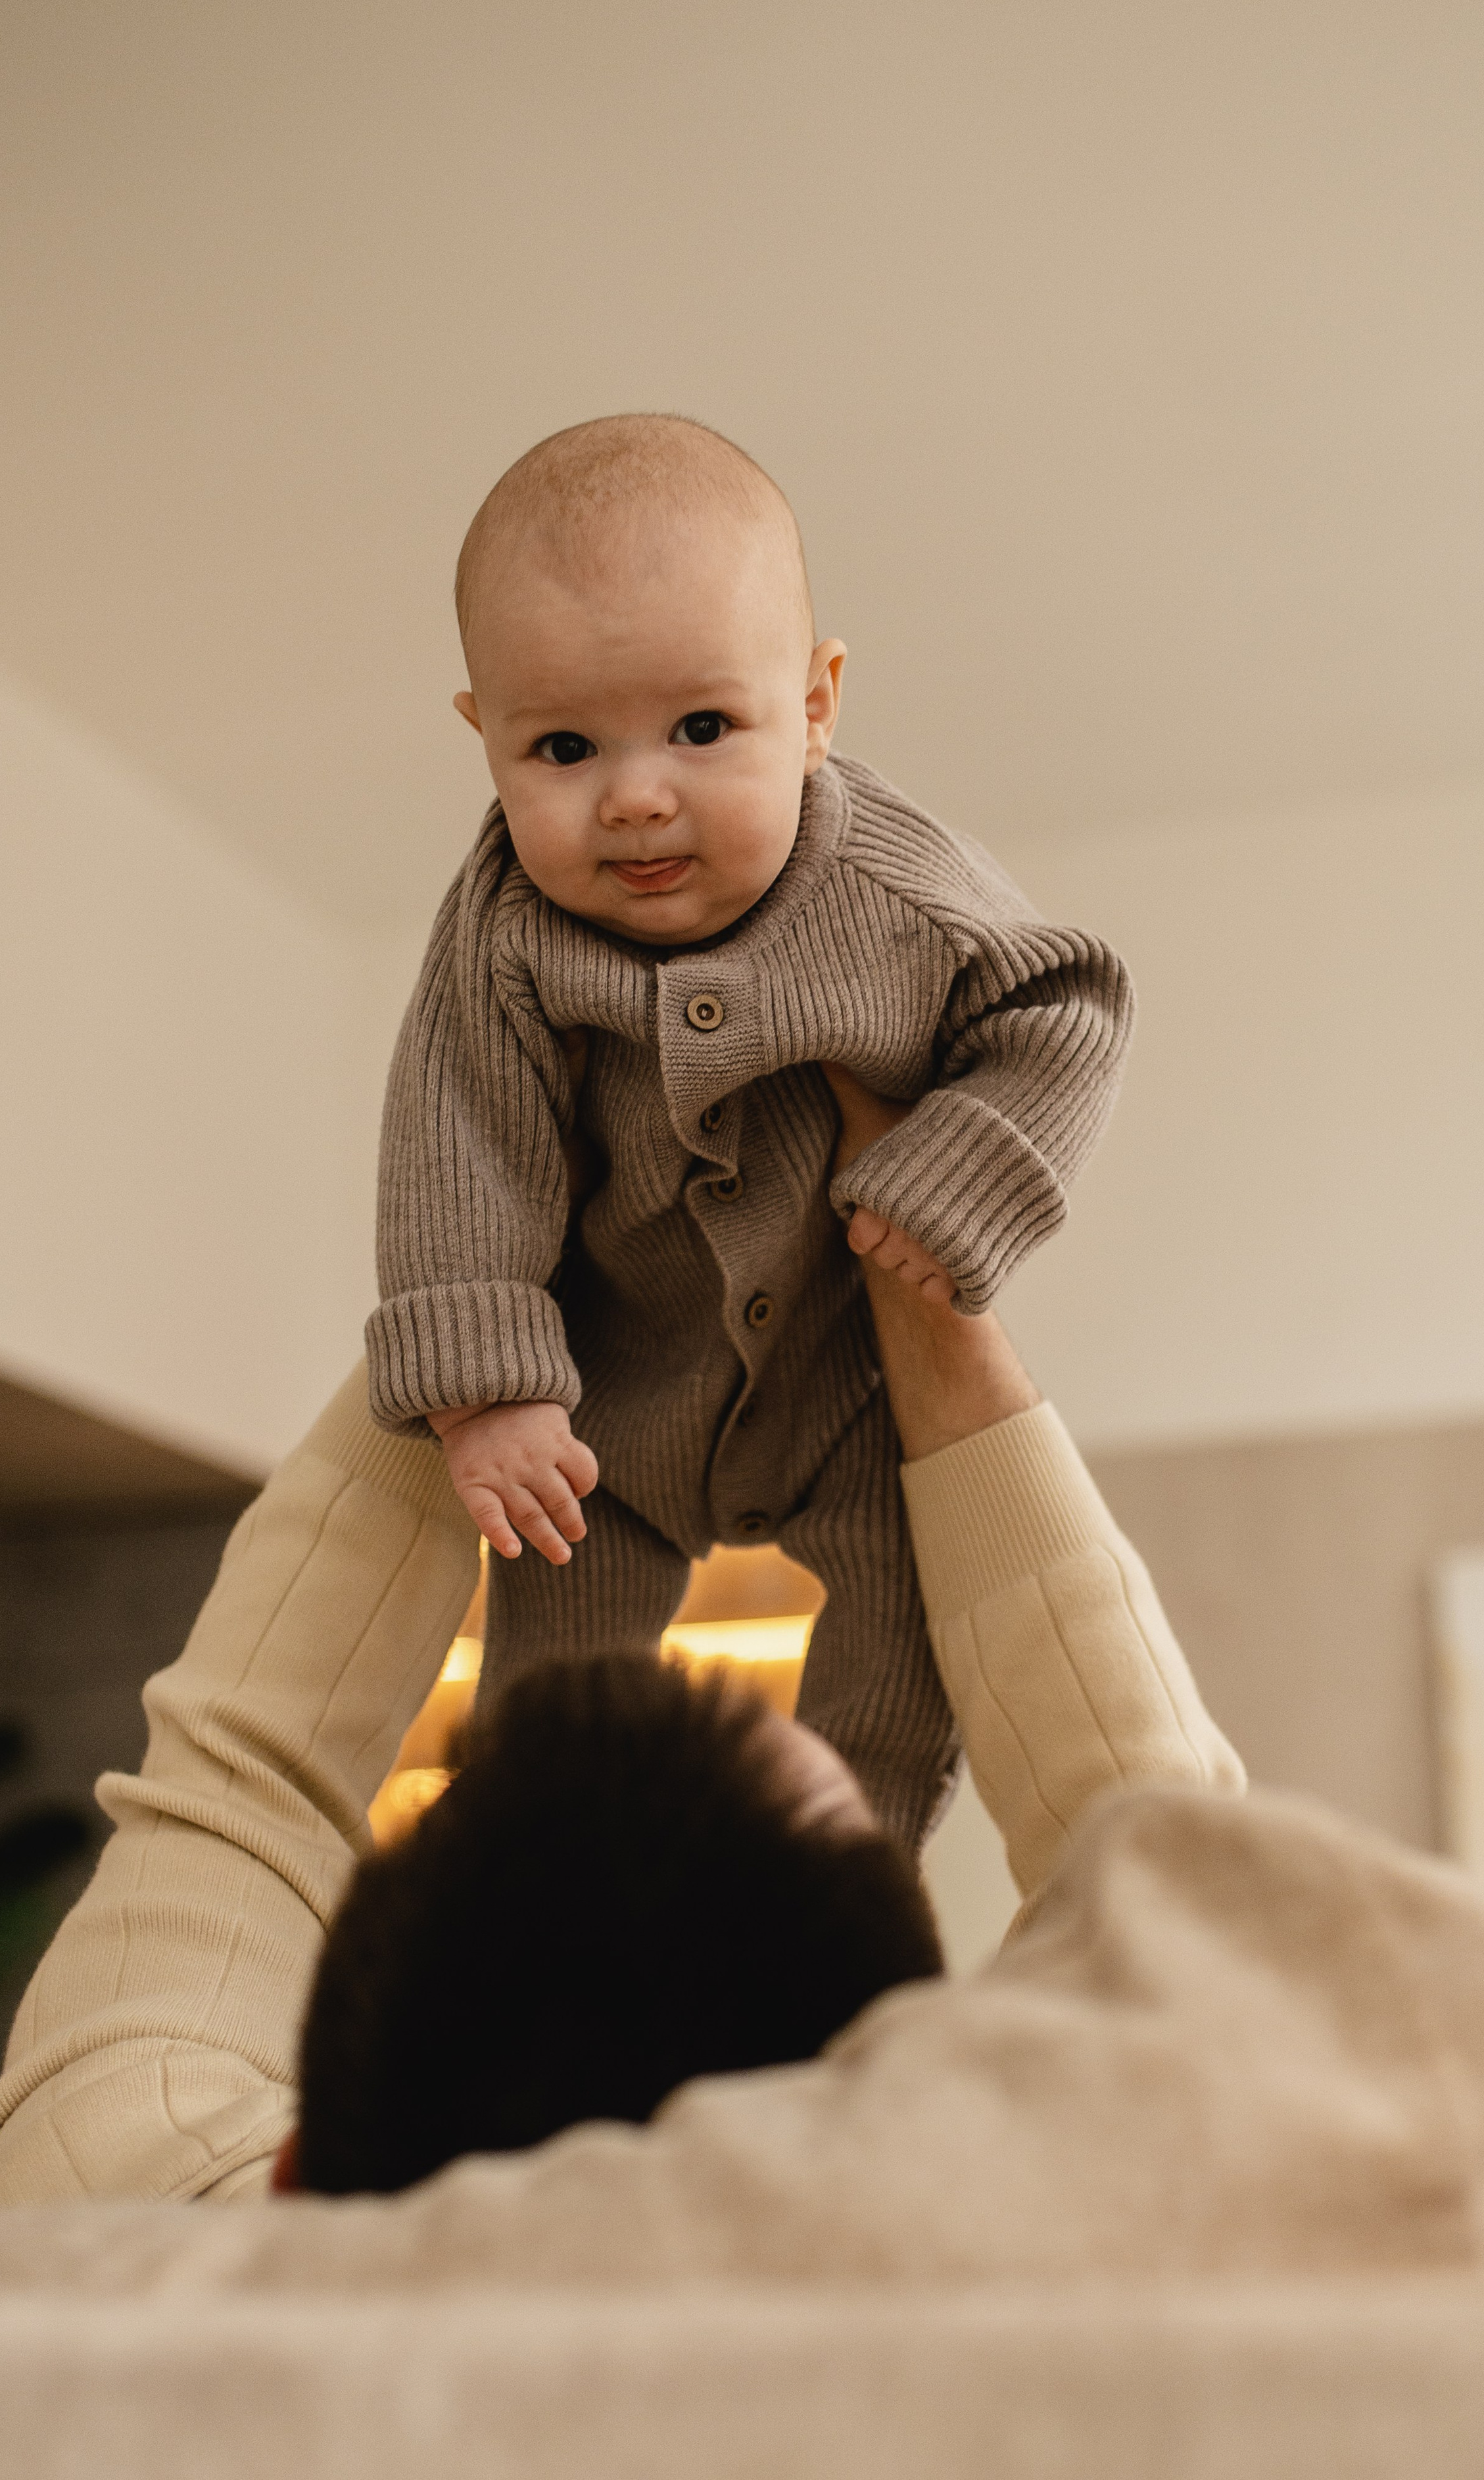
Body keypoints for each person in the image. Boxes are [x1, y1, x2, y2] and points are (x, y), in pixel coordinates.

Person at [0, 1075, 1236, 2209]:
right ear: (853, 2163)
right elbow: (1185, 1898)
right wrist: (925, 1286)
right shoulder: (1004, 2301)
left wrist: (536, 1201)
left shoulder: (94, 2204)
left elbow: (242, 1770)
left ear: (296, 2165)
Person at [365, 411, 1134, 1850]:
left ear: (818, 704)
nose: (635, 795)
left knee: (897, 1650)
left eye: (704, 729)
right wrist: (490, 1390)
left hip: (852, 1385)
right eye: (563, 747)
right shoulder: (507, 933)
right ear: (484, 738)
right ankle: (538, 1883)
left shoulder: (896, 889)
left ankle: (841, 1876)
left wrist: (958, 1171)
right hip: (610, 1399)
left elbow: (1064, 1007)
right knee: (552, 1683)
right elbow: (458, 1135)